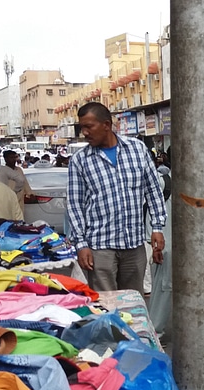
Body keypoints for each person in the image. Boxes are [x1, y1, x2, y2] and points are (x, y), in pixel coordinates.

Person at [67, 102, 166, 292]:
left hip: (134, 244)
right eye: (82, 127)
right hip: (99, 247)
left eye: (89, 126)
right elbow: (75, 204)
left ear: (106, 124)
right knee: (107, 305)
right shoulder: (80, 160)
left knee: (133, 303)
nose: (84, 132)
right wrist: (81, 244)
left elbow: (153, 190)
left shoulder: (137, 149)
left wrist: (157, 227)